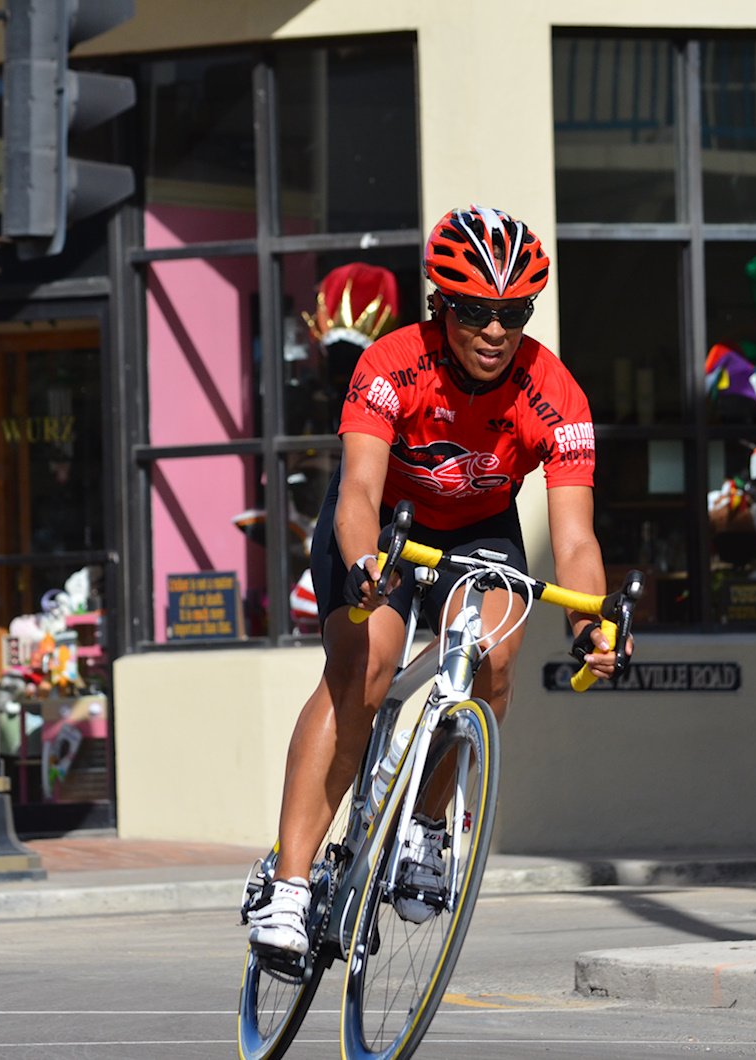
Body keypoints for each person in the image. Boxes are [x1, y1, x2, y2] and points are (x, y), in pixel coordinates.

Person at [246, 204, 622, 957]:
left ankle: (424, 825)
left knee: (496, 654)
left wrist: (591, 627)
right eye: (478, 312)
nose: (496, 331)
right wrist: (364, 567)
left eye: (514, 313)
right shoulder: (390, 364)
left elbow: (574, 537)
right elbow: (356, 491)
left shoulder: (556, 392)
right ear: (441, 306)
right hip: (384, 523)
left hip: (480, 530)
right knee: (367, 667)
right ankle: (285, 887)